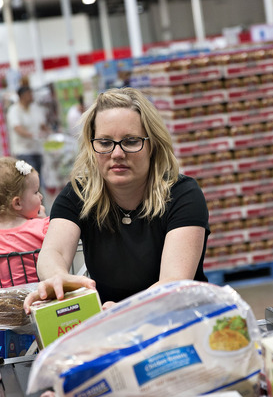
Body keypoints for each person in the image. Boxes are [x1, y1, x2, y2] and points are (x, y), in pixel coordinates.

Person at [23, 87, 210, 312]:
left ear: (153, 145)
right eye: (104, 142)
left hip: (181, 321)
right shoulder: (78, 194)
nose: (117, 153)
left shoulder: (182, 195)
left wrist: (122, 311)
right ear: (92, 146)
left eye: (131, 141)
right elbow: (54, 251)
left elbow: (173, 282)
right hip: (110, 327)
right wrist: (57, 277)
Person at [0, 157, 48, 288]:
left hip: (6, 300)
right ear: (17, 203)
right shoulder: (42, 227)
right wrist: (42, 221)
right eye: (36, 192)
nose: (40, 196)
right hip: (42, 295)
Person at [7, 86, 49, 176]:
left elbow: (42, 125)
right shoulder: (14, 110)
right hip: (23, 150)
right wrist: (33, 135)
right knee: (30, 177)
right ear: (22, 96)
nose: (31, 96)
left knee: (39, 176)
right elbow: (18, 128)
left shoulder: (35, 108)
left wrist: (48, 134)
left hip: (37, 149)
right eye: (29, 94)